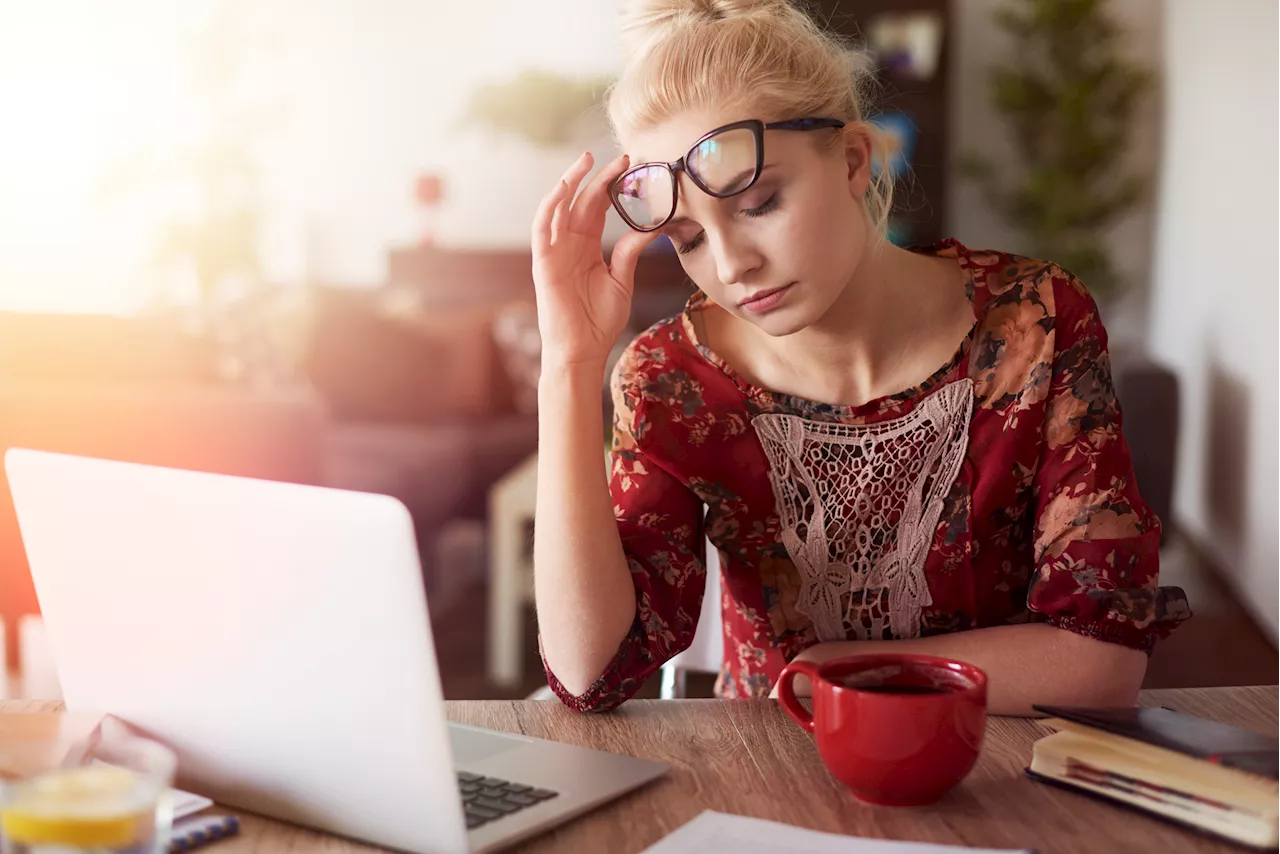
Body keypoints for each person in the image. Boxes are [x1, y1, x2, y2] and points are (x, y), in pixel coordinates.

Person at [529, 0, 1190, 716]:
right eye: (687, 236)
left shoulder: (1037, 322)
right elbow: (590, 672)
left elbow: (1100, 659)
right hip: (769, 784)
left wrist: (837, 670)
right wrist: (568, 363)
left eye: (757, 204)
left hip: (998, 778)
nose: (731, 264)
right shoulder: (673, 382)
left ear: (851, 160)